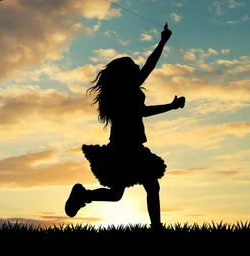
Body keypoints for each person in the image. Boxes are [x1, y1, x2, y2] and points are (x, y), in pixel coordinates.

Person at [65, 23, 186, 230]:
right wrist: (171, 106)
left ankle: (83, 194)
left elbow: (148, 72)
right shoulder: (124, 92)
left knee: (117, 194)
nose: (137, 67)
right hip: (126, 148)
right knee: (148, 185)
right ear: (124, 74)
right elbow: (143, 107)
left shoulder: (126, 91)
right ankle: (156, 228)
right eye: (133, 66)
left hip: (127, 147)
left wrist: (163, 42)